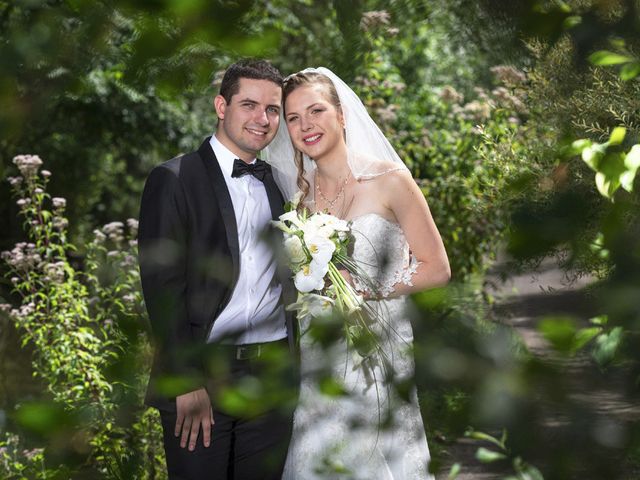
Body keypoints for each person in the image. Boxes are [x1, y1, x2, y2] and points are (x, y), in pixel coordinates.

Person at [263, 68, 451, 479]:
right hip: (320, 355)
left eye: (315, 110)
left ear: (342, 113)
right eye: (293, 118)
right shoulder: (297, 197)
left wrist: (367, 289)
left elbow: (437, 269)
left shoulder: (391, 181)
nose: (305, 125)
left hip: (379, 350)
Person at [138, 59, 298, 480]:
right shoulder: (173, 178)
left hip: (274, 374)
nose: (262, 120)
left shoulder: (282, 184)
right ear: (221, 106)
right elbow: (161, 288)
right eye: (249, 104)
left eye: (272, 109)